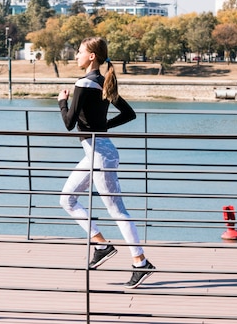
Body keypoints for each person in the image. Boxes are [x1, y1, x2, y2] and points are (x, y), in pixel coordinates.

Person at [57, 37, 155, 289]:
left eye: (79, 52)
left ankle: (141, 263)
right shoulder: (103, 82)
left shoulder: (82, 83)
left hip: (99, 156)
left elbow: (69, 123)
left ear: (91, 57)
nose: (76, 56)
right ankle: (101, 244)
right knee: (67, 199)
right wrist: (102, 127)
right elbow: (129, 114)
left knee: (117, 210)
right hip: (97, 153)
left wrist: (61, 101)